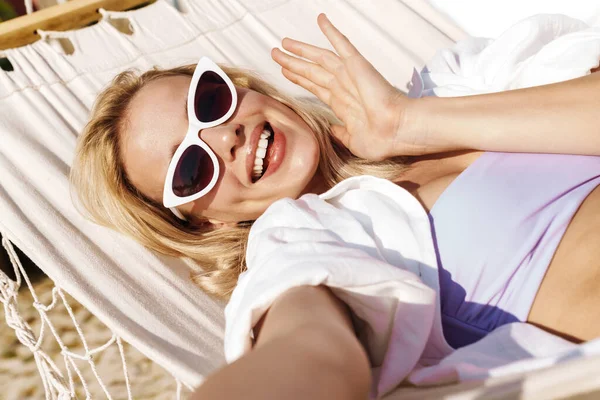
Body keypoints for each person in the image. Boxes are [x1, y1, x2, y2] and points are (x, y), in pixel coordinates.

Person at [70, 13, 600, 400]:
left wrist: (409, 123)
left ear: (246, 88)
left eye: (209, 101)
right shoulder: (308, 241)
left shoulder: (455, 83)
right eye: (191, 168)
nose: (223, 137)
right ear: (208, 220)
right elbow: (307, 350)